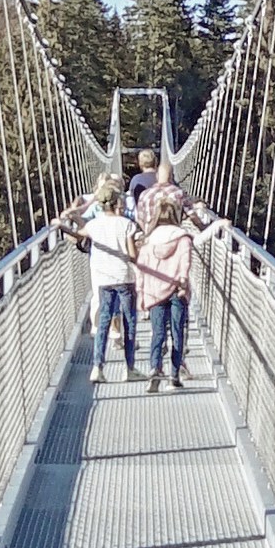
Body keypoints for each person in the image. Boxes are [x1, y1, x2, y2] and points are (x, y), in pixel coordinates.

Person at [137, 176, 196, 393]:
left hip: (154, 292)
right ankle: (174, 375)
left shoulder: (147, 241)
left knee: (157, 332)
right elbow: (185, 264)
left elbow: (141, 270)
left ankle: (154, 368)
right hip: (177, 291)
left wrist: (141, 296)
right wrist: (182, 282)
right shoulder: (183, 238)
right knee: (178, 333)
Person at [85, 164, 142, 382]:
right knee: (129, 322)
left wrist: (64, 223)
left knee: (104, 322)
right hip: (124, 278)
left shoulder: (94, 225)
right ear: (118, 202)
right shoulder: (126, 223)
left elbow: (78, 233)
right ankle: (129, 368)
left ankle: (97, 367)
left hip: (104, 279)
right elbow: (131, 254)